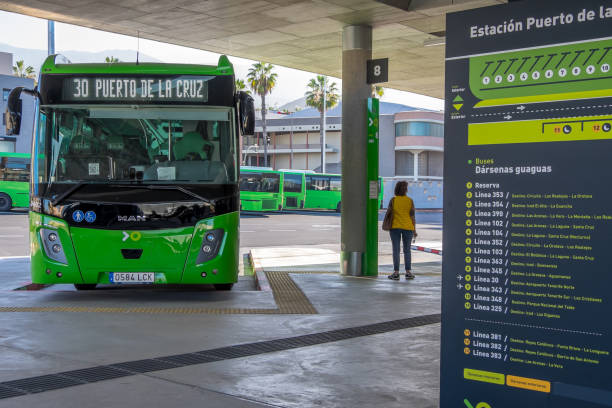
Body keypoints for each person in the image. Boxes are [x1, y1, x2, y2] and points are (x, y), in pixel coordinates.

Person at [388, 181, 417, 280]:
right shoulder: (410, 200)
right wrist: (414, 230)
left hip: (395, 227)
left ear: (396, 189)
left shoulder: (393, 200)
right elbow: (412, 216)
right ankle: (408, 272)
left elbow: (389, 214)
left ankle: (396, 273)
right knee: (407, 250)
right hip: (408, 227)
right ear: (406, 190)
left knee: (396, 250)